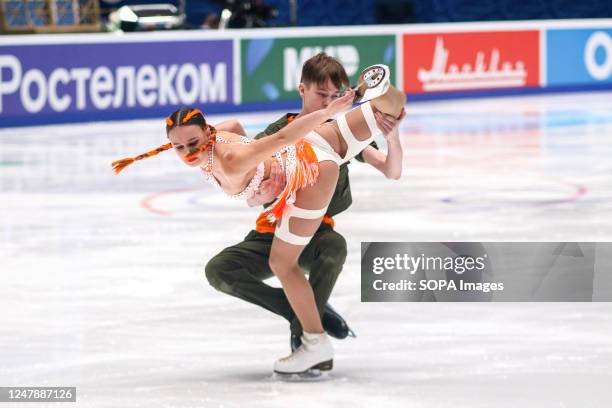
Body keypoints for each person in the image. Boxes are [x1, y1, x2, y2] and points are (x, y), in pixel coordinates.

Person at [112, 60, 406, 374]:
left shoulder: (230, 160)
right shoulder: (217, 136)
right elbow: (236, 127)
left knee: (282, 264)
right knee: (389, 107)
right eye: (178, 147)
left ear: (206, 134)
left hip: (311, 174)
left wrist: (329, 112)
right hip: (317, 143)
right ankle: (381, 88)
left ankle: (314, 343)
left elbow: (280, 141)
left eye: (193, 144)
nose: (188, 153)